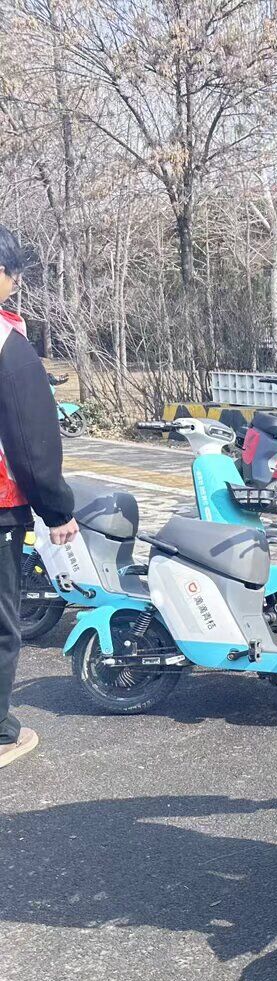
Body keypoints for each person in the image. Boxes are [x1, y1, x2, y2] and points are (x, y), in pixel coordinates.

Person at [0, 226, 77, 769]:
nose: (15, 284)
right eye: (13, 274)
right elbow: (30, 442)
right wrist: (57, 509)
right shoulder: (6, 344)